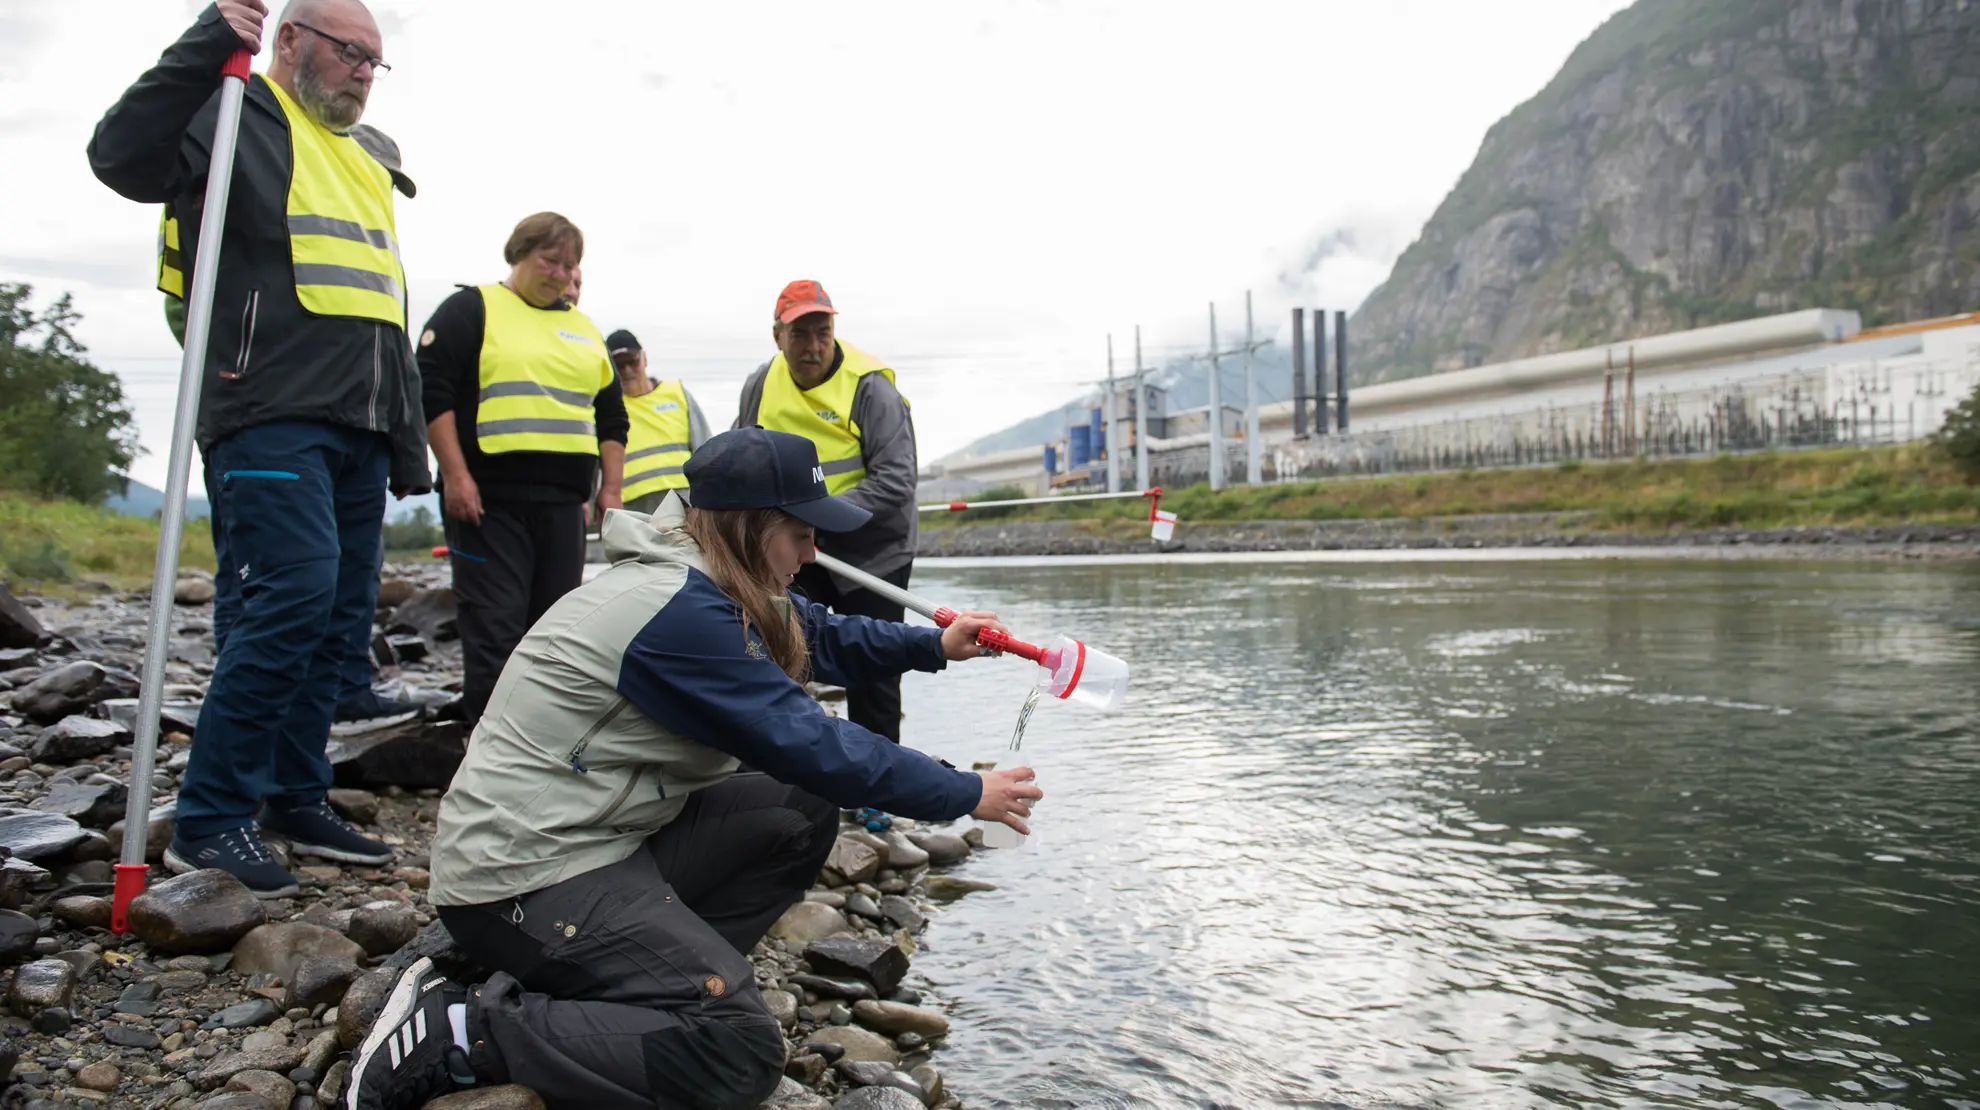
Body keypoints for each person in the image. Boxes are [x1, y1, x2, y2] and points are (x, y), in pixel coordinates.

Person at [343, 427, 1042, 1110]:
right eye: (801, 533)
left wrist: (934, 646)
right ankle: (460, 1031)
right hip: (521, 877)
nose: (814, 550)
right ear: (748, 528)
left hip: (591, 845)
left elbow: (821, 635)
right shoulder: (681, 611)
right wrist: (964, 790)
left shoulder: (716, 583)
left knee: (796, 808)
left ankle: (642, 988)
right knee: (738, 1049)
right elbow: (814, 743)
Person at [89, 0, 430, 896]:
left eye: (374, 61)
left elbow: (383, 312)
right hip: (267, 406)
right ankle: (209, 819)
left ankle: (291, 792)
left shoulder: (361, 160)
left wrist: (405, 442)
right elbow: (120, 156)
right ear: (290, 41)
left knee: (338, 621)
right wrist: (211, 39)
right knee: (291, 598)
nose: (363, 70)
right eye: (351, 52)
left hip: (358, 425)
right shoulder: (238, 111)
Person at [417, 212, 628, 728]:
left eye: (569, 265)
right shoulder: (471, 310)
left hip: (562, 505)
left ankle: (540, 741)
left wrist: (611, 491)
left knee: (554, 629)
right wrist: (456, 475)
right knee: (495, 625)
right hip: (489, 501)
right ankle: (485, 748)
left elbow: (611, 417)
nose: (559, 274)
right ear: (518, 254)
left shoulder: (582, 330)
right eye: (549, 260)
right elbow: (432, 391)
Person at [735, 280, 920, 744]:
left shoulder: (870, 387)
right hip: (796, 550)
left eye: (823, 332)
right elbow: (744, 459)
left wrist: (822, 516)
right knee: (780, 655)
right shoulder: (760, 385)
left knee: (874, 670)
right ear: (777, 335)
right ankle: (797, 768)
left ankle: (880, 794)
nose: (813, 346)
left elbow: (896, 479)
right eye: (800, 334)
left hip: (874, 551)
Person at [605, 328, 710, 515]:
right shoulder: (608, 408)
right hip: (632, 511)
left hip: (684, 504)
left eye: (632, 361)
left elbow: (706, 449)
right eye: (619, 365)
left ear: (644, 358)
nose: (627, 370)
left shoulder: (677, 393)